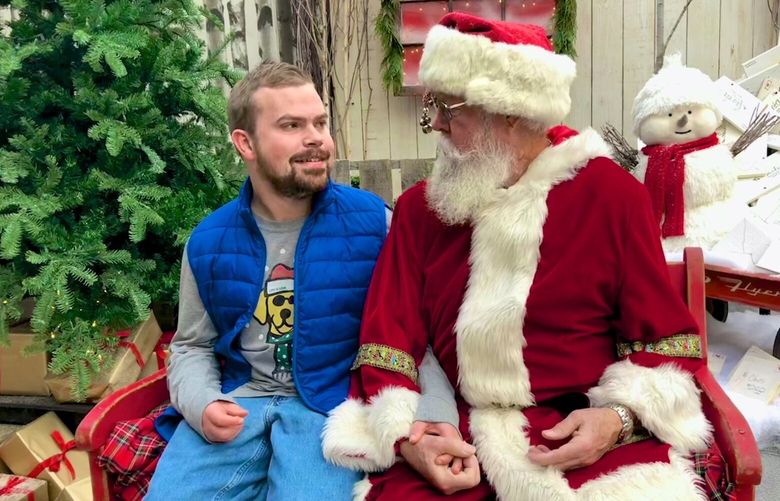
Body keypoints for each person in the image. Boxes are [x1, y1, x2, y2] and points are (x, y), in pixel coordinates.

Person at [322, 13, 720, 500]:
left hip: (580, 434)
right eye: (435, 106)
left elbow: (665, 345)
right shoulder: (421, 210)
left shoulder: (611, 198)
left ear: (510, 112)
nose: (437, 124)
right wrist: (409, 438)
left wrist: (617, 419)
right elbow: (387, 342)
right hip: (454, 437)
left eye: (451, 108)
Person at [145, 62, 459, 500]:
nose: (316, 138)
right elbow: (192, 345)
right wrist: (202, 405)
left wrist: (439, 413)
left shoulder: (375, 225)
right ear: (245, 143)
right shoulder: (207, 241)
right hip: (239, 405)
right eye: (291, 125)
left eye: (320, 123)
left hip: (331, 410)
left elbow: (417, 335)